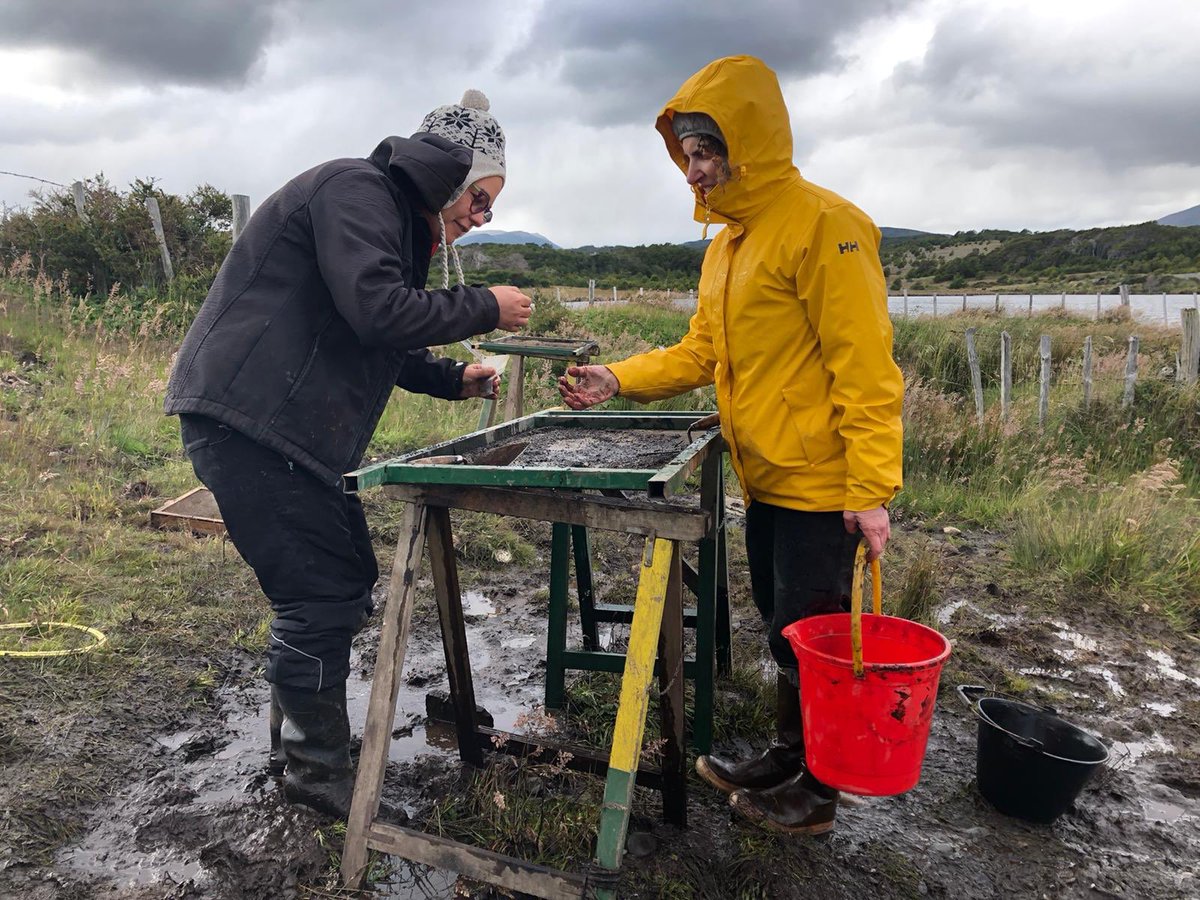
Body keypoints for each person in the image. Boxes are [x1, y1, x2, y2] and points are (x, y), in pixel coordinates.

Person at [557, 56, 904, 835]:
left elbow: (865, 367)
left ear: (749, 142)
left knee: (816, 635)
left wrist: (871, 487)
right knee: (784, 625)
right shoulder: (727, 245)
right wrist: (617, 377)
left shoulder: (827, 225)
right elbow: (700, 353)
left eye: (706, 152)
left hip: (824, 483)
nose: (693, 171)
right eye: (686, 156)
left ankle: (819, 792)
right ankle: (791, 755)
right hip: (766, 475)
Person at [164, 90, 532, 819]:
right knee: (321, 592)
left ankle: (301, 753)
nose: (479, 219)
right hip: (253, 422)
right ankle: (316, 776)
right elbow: (377, 309)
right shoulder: (356, 191)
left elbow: (376, 330)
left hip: (277, 428)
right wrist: (486, 305)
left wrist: (449, 377)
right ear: (452, 176)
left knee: (335, 582)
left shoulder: (385, 212)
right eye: (480, 200)